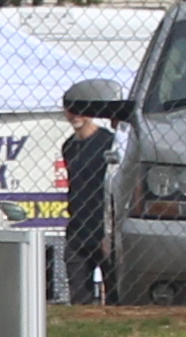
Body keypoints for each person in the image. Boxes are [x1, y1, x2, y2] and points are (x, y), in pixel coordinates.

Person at [59, 80, 116, 306]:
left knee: (113, 294)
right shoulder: (68, 146)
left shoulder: (108, 142)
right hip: (77, 229)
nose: (75, 115)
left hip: (103, 228)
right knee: (78, 296)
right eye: (70, 109)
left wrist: (109, 230)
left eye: (80, 109)